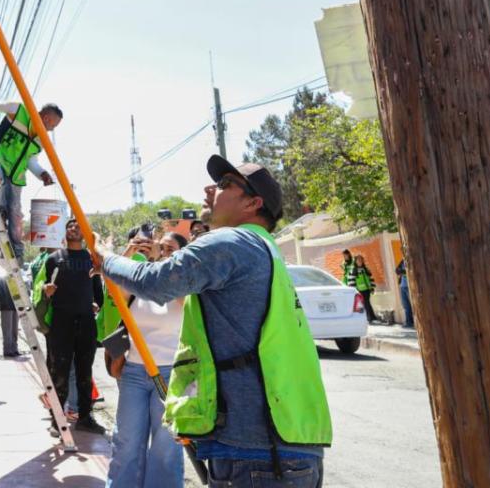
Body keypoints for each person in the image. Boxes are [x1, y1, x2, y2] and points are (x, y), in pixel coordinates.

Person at [101, 155, 331, 487]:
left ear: (253, 203)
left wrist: (103, 257)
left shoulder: (234, 242)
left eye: (225, 184)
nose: (212, 190)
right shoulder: (264, 249)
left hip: (257, 454)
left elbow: (155, 282)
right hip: (284, 444)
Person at [105, 231, 185, 488]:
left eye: (171, 249)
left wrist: (164, 268)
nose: (164, 253)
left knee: (165, 447)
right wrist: (129, 254)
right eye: (161, 248)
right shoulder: (142, 282)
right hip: (135, 373)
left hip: (171, 374)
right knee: (126, 441)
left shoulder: (185, 284)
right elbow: (113, 291)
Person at [0, 96, 62, 258]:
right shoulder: (19, 111)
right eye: (52, 125)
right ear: (46, 118)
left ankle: (17, 251)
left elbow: (31, 162)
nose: (51, 130)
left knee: (16, 213)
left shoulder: (40, 140)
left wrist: (42, 174)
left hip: (16, 176)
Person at [39, 219, 106, 435]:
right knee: (58, 373)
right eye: (69, 225)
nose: (73, 228)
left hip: (86, 323)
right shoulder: (53, 259)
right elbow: (40, 288)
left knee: (85, 373)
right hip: (61, 324)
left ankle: (85, 417)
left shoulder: (92, 258)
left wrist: (97, 305)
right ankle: (56, 420)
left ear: (85, 232)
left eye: (77, 226)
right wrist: (45, 291)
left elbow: (98, 293)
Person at [0, 272, 20, 357]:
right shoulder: (1, 278)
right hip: (6, 308)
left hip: (16, 306)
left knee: (14, 329)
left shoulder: (17, 277)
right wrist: (4, 301)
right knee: (7, 330)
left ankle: (14, 349)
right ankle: (7, 350)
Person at [352, 254, 379, 324]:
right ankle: (369, 318)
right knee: (364, 303)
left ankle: (371, 317)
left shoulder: (366, 269)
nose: (360, 261)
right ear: (355, 261)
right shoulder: (353, 270)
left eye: (361, 260)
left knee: (367, 303)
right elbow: (351, 281)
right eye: (358, 260)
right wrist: (354, 290)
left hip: (367, 290)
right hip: (359, 290)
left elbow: (371, 279)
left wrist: (372, 288)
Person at [396, 257, 414, 328]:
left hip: (409, 286)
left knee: (412, 305)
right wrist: (403, 271)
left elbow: (408, 271)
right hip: (402, 286)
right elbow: (397, 270)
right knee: (406, 305)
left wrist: (403, 271)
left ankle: (412, 321)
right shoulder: (402, 260)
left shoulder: (411, 259)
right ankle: (409, 322)